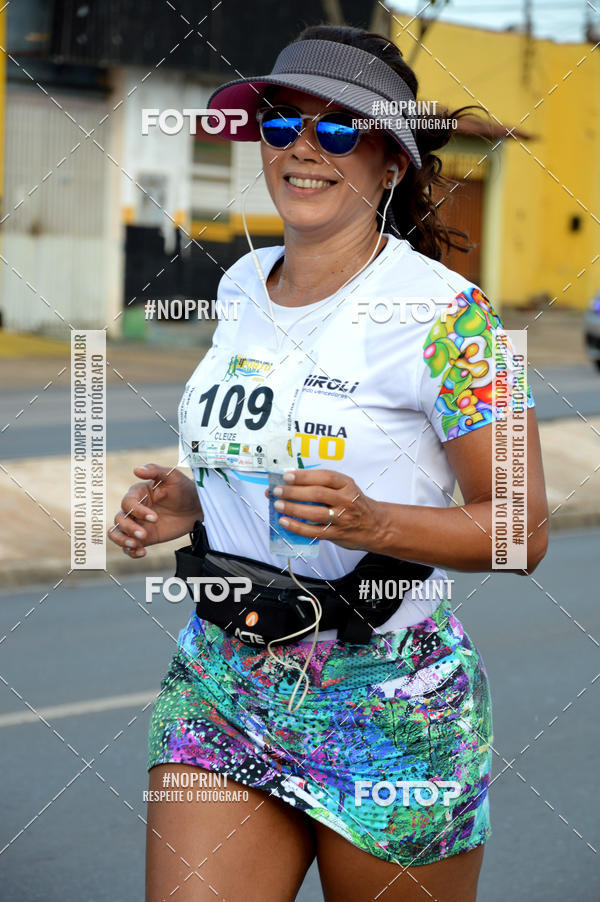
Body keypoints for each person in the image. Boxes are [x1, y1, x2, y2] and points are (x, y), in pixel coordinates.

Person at [108, 25, 549, 902]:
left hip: (391, 707)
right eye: (282, 124)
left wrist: (373, 524)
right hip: (223, 681)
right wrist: (194, 502)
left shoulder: (453, 318)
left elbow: (522, 529)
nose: (306, 149)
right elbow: (266, 465)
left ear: (393, 162)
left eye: (341, 129)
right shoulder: (241, 287)